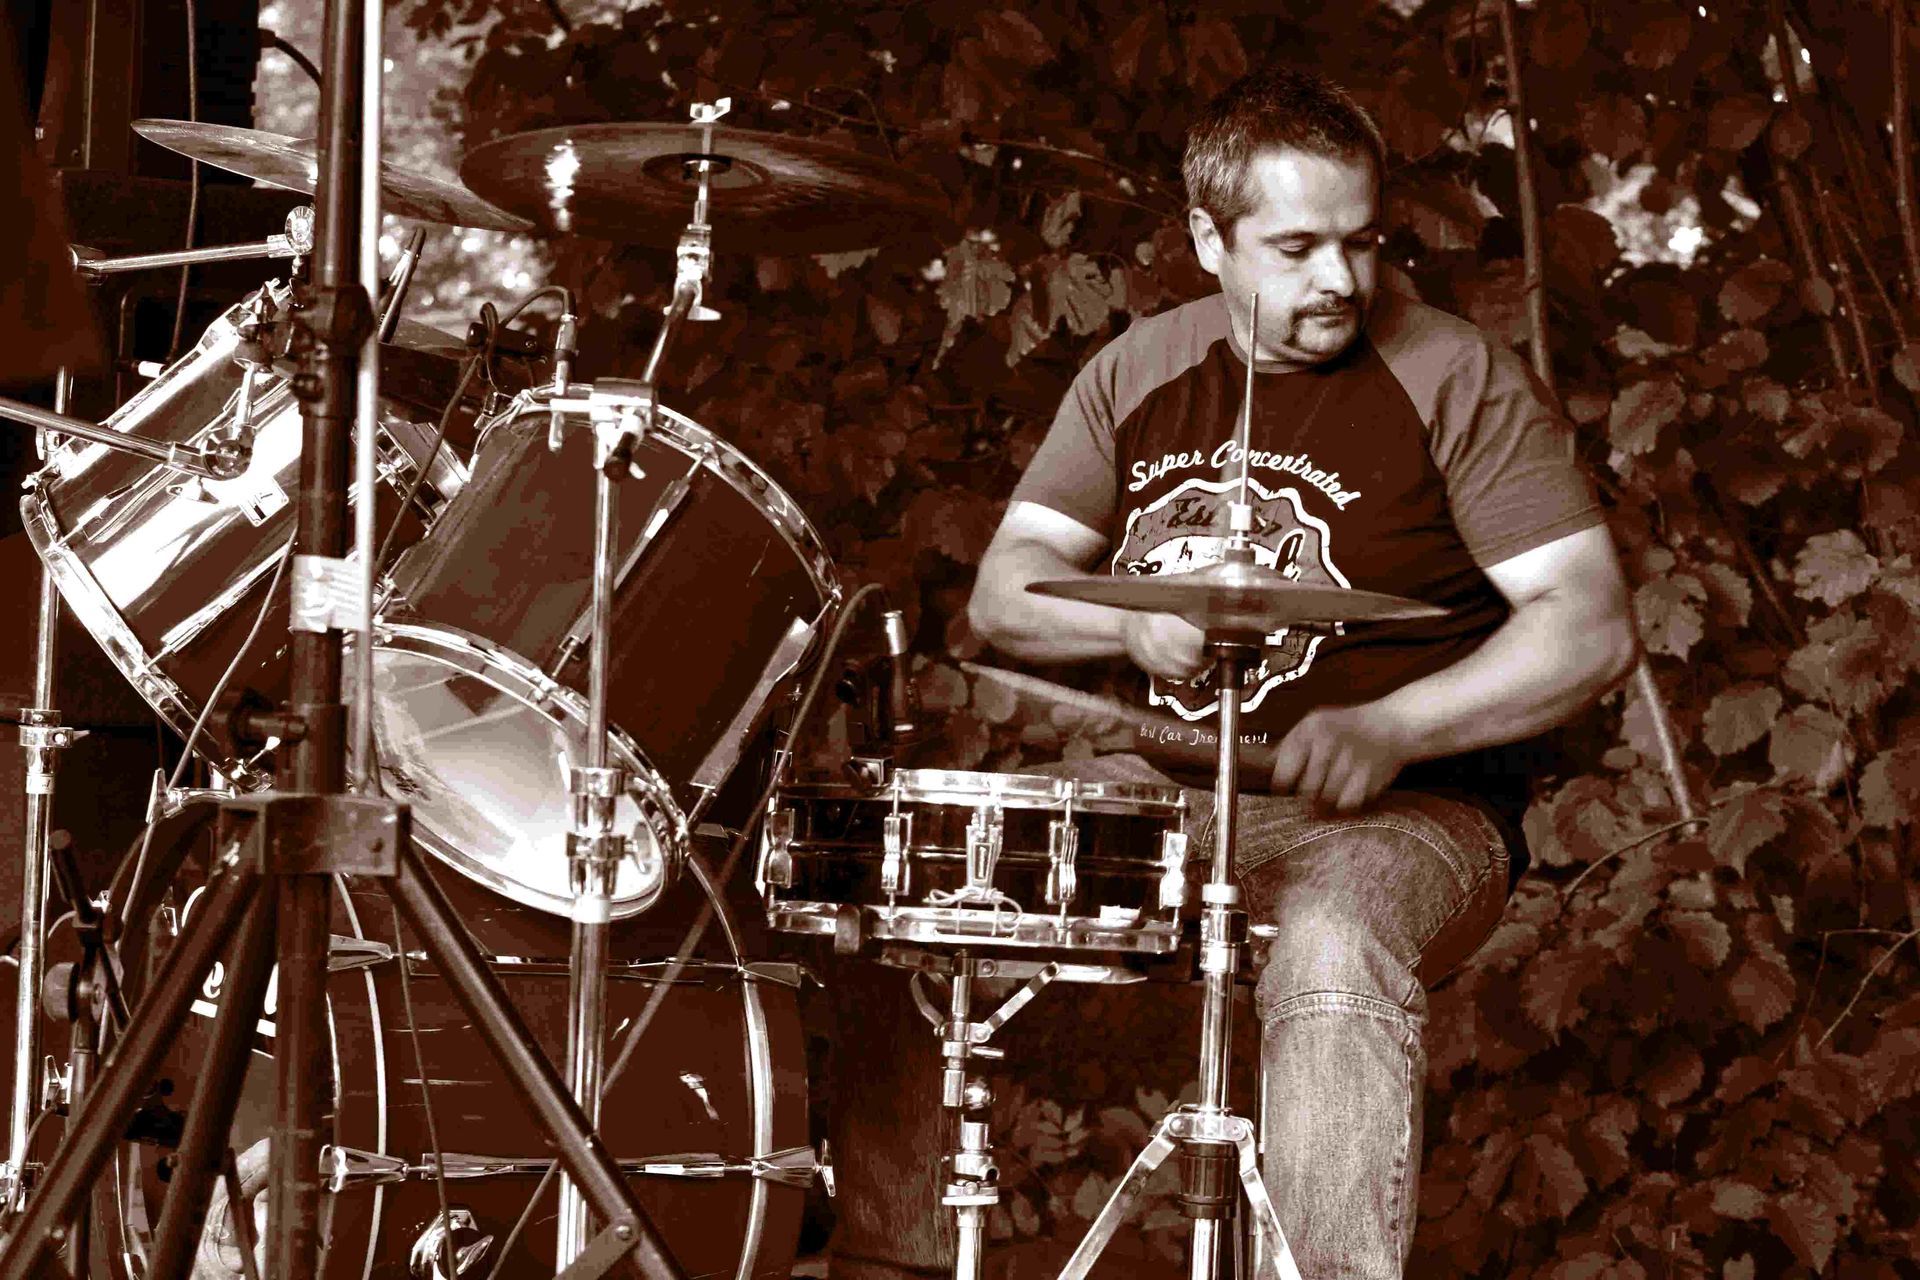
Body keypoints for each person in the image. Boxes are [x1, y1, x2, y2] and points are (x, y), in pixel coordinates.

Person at [965, 67, 1636, 1276]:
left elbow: (1586, 623)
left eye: (1361, 241)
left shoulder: (1453, 375)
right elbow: (1006, 589)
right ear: (1207, 239)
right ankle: (901, 1259)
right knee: (934, 886)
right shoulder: (1137, 371)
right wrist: (1125, 627)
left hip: (1412, 816)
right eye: (1297, 248)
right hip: (1171, 793)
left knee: (1330, 937)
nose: (1341, 280)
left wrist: (1398, 724)